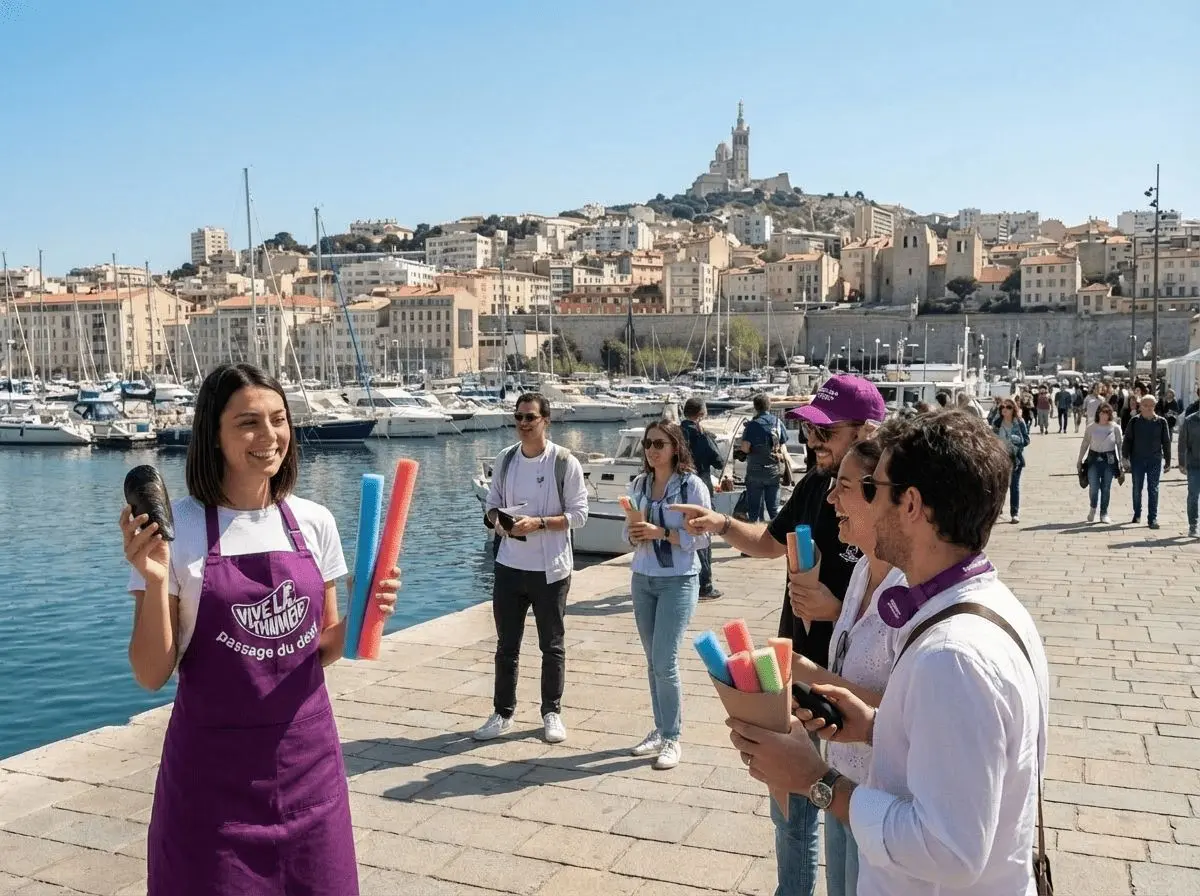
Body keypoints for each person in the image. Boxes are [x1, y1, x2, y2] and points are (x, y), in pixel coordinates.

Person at [727, 410, 1050, 896]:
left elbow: (950, 850)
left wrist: (818, 781)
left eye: (871, 489)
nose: (847, 501)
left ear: (912, 504)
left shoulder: (954, 656)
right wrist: (880, 728)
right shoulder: (989, 607)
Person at [121, 363, 400, 896]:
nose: (268, 436)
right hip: (211, 787)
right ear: (214, 435)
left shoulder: (314, 522)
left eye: (278, 419)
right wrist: (155, 579)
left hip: (309, 773)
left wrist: (372, 616)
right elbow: (151, 673)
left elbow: (321, 649)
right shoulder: (172, 534)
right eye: (247, 422)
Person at [672, 374, 886, 896]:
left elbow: (900, 596)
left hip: (846, 685)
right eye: (811, 432)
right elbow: (772, 542)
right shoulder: (816, 485)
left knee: (842, 814)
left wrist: (837, 607)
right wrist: (719, 525)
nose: (813, 443)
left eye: (826, 432)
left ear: (867, 430)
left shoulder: (885, 508)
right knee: (789, 811)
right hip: (791, 672)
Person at [789, 437, 905, 896]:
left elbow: (908, 712)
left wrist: (810, 674)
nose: (831, 498)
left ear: (883, 495)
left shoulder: (911, 592)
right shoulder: (860, 572)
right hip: (841, 777)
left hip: (883, 798)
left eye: (843, 487)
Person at [477, 392, 589, 742]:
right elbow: (491, 506)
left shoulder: (564, 462)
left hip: (550, 569)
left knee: (551, 645)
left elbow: (579, 515)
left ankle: (551, 712)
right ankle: (502, 712)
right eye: (519, 418)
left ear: (546, 421)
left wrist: (538, 523)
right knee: (506, 645)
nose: (523, 424)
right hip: (509, 565)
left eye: (531, 418)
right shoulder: (505, 459)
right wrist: (500, 521)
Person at [623, 420, 712, 770]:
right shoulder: (639, 484)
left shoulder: (692, 487)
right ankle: (660, 730)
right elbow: (629, 532)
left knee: (664, 660)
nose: (651, 450)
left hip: (678, 580)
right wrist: (633, 534)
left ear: (675, 447)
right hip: (642, 577)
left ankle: (672, 737)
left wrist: (661, 533)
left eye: (659, 443)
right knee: (652, 661)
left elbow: (703, 538)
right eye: (647, 443)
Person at [680, 397, 726, 600]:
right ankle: (705, 585)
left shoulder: (673, 433)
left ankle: (684, 578)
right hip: (701, 487)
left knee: (682, 533)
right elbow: (718, 461)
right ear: (701, 414)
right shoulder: (701, 435)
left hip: (678, 489)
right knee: (703, 535)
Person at [1122, 394, 1171, 530]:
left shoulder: (1161, 422)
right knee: (1137, 488)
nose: (1149, 408)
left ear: (1155, 406)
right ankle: (1137, 513)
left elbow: (1166, 442)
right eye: (1145, 405)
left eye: (1151, 406)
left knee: (1153, 489)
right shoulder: (1134, 422)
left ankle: (1152, 518)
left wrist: (1168, 459)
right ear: (1140, 407)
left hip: (1154, 460)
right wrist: (1125, 457)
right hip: (1137, 460)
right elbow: (1127, 440)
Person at [739, 393, 789, 523]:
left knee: (754, 510)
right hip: (773, 471)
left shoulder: (752, 425)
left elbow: (745, 448)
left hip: (755, 471)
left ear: (755, 407)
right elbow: (783, 443)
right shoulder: (777, 422)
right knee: (773, 509)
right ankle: (779, 537)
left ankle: (754, 538)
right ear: (769, 406)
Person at [1077, 404, 1122, 524]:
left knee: (1106, 488)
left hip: (1109, 460)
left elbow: (1120, 445)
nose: (1104, 416)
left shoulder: (1115, 428)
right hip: (1093, 460)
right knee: (1094, 487)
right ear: (1098, 413)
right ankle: (1093, 507)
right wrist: (1079, 460)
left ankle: (1104, 512)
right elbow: (1085, 443)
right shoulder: (1091, 427)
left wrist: (1121, 462)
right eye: (1102, 413)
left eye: (1107, 413)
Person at [991, 398, 1029, 524]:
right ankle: (998, 510)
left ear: (1014, 409)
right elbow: (991, 438)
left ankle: (1014, 513)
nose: (1004, 410)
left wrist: (1016, 440)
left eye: (1008, 407)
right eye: (1002, 407)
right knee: (1000, 486)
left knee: (1014, 486)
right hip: (1000, 457)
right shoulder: (997, 423)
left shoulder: (1019, 422)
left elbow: (1026, 440)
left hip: (1015, 458)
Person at [1179, 404, 1200, 538]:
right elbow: (1182, 442)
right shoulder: (1190, 420)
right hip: (1194, 464)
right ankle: (1193, 526)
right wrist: (1182, 463)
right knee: (1193, 495)